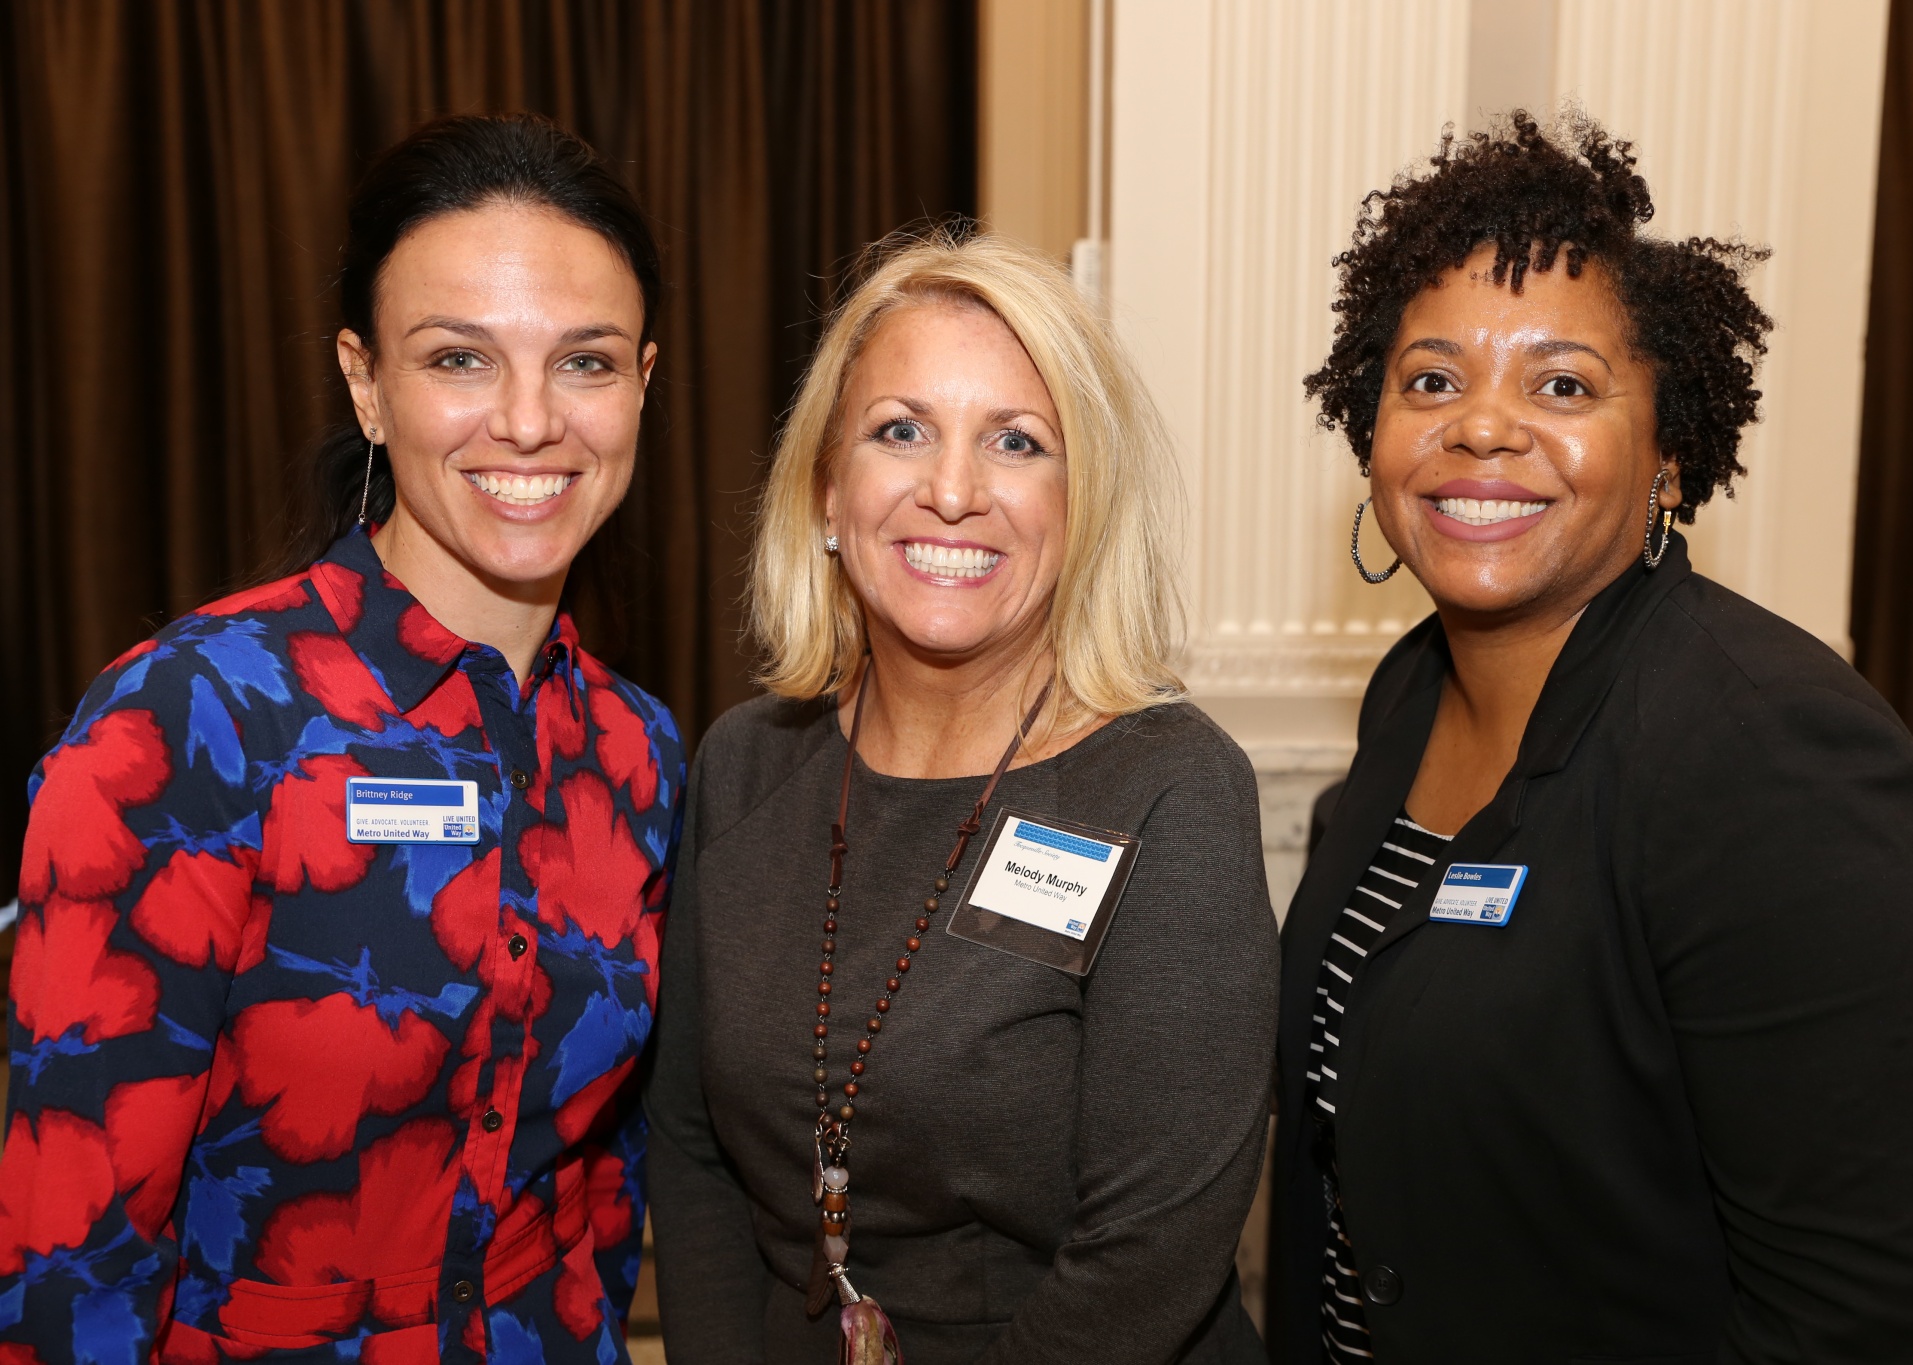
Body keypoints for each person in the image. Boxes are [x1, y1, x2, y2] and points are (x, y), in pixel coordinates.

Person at [1267, 113, 1913, 1363]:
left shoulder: (1770, 751)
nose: (1479, 426)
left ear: (1666, 454)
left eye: (1560, 385)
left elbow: (1869, 1323)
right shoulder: (1410, 693)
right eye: (1429, 380)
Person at [0, 114, 683, 1365]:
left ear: (642, 381)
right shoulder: (191, 720)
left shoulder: (635, 751)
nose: (529, 420)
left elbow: (606, 1184)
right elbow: (70, 1256)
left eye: (583, 363)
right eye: (459, 358)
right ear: (366, 384)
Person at [647, 229, 1278, 1363]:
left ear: (1081, 506)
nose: (951, 492)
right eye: (901, 431)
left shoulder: (1169, 787)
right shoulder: (744, 764)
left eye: (1016, 442)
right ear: (828, 492)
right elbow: (692, 1152)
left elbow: (1152, 1251)